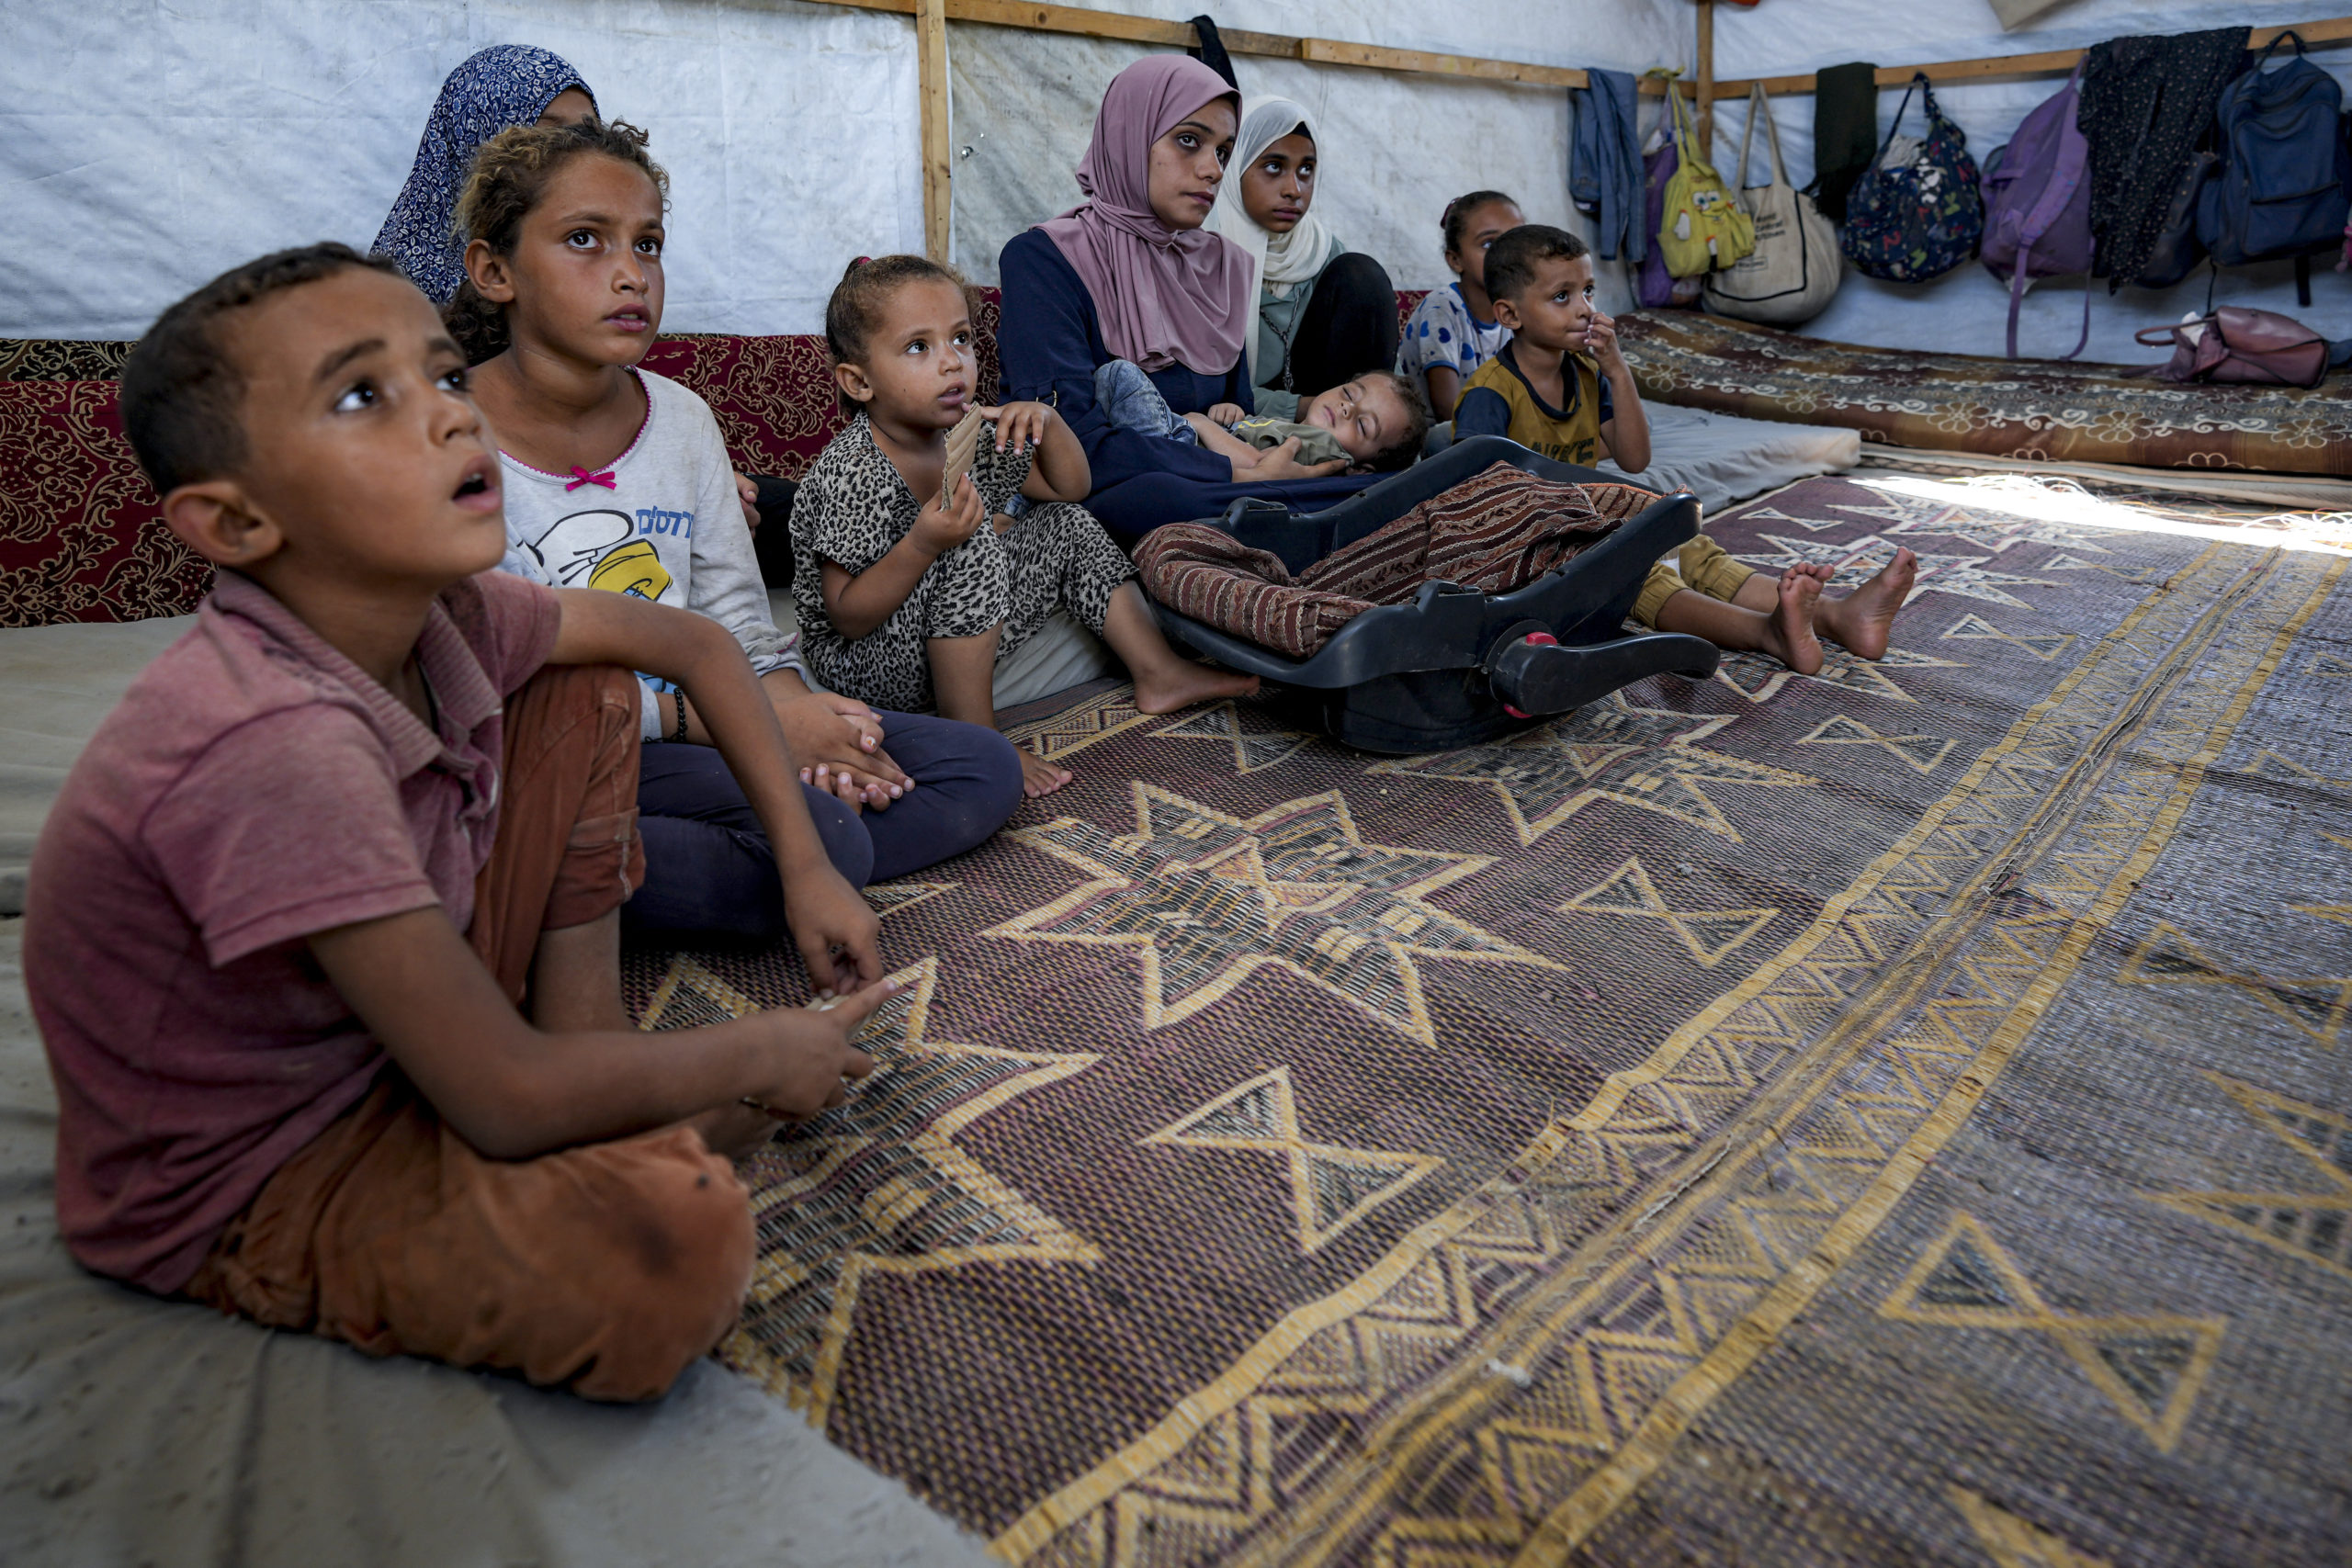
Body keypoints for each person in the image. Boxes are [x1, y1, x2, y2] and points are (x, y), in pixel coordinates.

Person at [24, 243, 894, 1401]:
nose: (447, 420)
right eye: (359, 396)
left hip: (404, 1042)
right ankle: (589, 1106)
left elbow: (688, 643)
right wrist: (761, 1050)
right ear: (232, 525)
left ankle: (589, 1051)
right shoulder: (272, 741)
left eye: (441, 378)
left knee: (586, 685)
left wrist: (802, 868)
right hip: (265, 1166)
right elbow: (495, 1095)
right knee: (670, 1247)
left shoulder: (454, 613)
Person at [449, 119, 1023, 940]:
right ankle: (556, 867)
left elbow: (740, 619)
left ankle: (649, 870)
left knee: (980, 767)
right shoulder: (444, 436)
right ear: (493, 270)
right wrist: (746, 726)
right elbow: (497, 681)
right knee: (824, 838)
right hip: (563, 754)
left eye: (647, 246)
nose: (629, 274)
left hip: (711, 726)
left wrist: (800, 720)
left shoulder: (681, 419)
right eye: (586, 240)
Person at [795, 255, 1260, 798]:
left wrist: (1051, 422)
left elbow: (1069, 489)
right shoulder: (851, 470)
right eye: (919, 347)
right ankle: (976, 733)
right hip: (866, 664)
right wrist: (925, 541)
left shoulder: (967, 434)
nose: (952, 363)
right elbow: (847, 617)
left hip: (940, 633)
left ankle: (1158, 671)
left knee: (1064, 523)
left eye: (961, 339)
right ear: (858, 381)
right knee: (968, 542)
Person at [1461, 224, 1913, 673]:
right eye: (1562, 297)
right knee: (1634, 575)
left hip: (1590, 516)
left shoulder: (1586, 372)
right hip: (1533, 543)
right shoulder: (1491, 394)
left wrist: (1617, 371)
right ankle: (1767, 631)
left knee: (1688, 547)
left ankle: (1839, 617)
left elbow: (1635, 459)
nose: (1584, 310)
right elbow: (1475, 498)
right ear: (1510, 315)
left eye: (1589, 292)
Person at [995, 56, 1380, 544]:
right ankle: (1333, 515)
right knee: (1160, 498)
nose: (1212, 170)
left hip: (1227, 486)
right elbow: (1067, 444)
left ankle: (1332, 508)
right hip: (1116, 493)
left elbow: (1237, 412)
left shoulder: (1223, 265)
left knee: (1348, 485)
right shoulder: (1044, 259)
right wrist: (1237, 476)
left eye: (1223, 151)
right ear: (1130, 135)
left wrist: (1264, 461)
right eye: (1189, 141)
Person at [1201, 98, 1400, 422]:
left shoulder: (1322, 249)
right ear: (1236, 165)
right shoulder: (1204, 249)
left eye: (1306, 169)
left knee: (1363, 274)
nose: (1294, 189)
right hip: (1237, 414)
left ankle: (1357, 442)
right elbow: (1202, 391)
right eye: (1274, 167)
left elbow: (1383, 361)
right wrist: (1304, 408)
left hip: (1339, 417)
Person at [371, 46, 598, 304]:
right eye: (549, 134)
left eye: (588, 133)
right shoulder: (405, 288)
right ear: (477, 136)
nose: (577, 149)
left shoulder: (591, 246)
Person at [1397, 191, 1522, 421]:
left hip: (1490, 429)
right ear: (1455, 260)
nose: (1508, 254)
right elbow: (1448, 413)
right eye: (1489, 243)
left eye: (1517, 240)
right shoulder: (1442, 307)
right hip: (1437, 435)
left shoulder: (1519, 310)